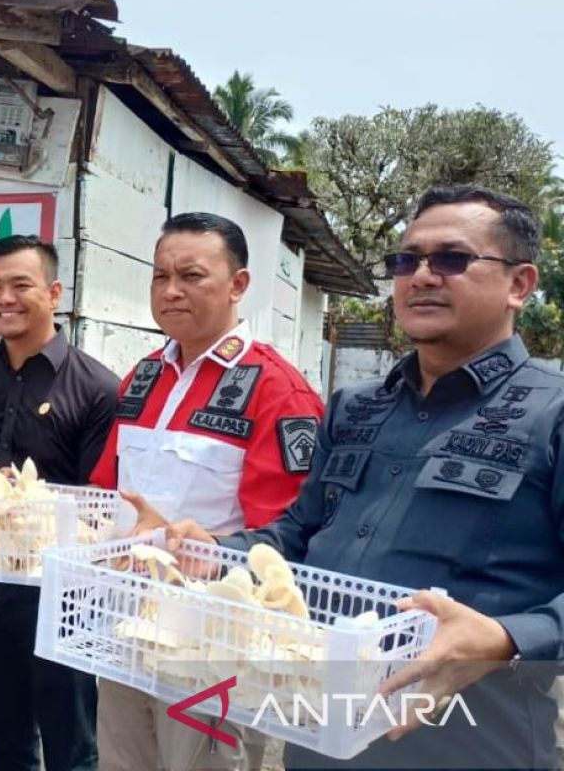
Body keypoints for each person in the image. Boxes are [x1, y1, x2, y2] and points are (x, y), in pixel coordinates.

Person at [154, 186, 564, 769]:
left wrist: (506, 639)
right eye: (406, 260)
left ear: (519, 285)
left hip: (470, 743)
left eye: (450, 259)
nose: (421, 276)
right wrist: (215, 552)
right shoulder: (354, 407)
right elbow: (295, 535)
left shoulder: (551, 413)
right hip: (321, 731)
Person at [89, 212, 324, 771]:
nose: (170, 291)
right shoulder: (145, 375)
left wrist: (203, 549)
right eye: (159, 275)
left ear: (238, 285)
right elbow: (105, 490)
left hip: (213, 651)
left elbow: (288, 540)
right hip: (126, 625)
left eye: (191, 275)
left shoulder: (276, 390)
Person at [0, 235, 119, 770]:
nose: (4, 298)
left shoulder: (97, 388)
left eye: (20, 285)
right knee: (2, 738)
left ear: (54, 292)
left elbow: (98, 506)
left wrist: (31, 500)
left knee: (71, 746)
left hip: (62, 599)